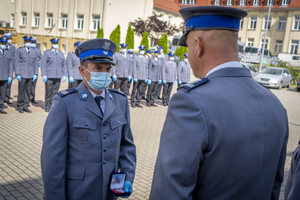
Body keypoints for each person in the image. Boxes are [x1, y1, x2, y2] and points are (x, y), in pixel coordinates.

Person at [150, 6, 288, 200]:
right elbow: (275, 185)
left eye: (188, 47)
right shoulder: (274, 104)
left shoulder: (191, 103)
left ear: (197, 45)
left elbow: (169, 192)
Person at [41, 38, 136, 200]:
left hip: (109, 193)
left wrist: (127, 176)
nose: (104, 74)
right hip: (77, 192)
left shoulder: (120, 101)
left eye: (107, 69)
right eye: (98, 68)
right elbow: (52, 159)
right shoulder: (65, 103)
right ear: (82, 70)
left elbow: (127, 145)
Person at [40, 38, 67, 112]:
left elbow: (64, 65)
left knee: (55, 92)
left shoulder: (61, 53)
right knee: (48, 92)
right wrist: (44, 74)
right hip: (49, 76)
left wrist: (65, 74)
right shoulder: (47, 53)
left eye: (57, 43)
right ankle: (47, 106)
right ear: (51, 44)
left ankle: (53, 106)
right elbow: (43, 64)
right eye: (54, 43)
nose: (55, 45)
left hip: (58, 76)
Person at [15, 36, 38, 113]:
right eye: (27, 42)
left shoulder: (34, 51)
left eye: (29, 42)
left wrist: (36, 73)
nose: (28, 43)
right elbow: (17, 62)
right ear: (24, 42)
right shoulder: (20, 50)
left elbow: (35, 63)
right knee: (21, 90)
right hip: (22, 74)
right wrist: (17, 73)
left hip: (31, 74)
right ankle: (20, 105)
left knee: (28, 91)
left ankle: (26, 105)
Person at [0, 37, 13, 114]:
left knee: (2, 93)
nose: (4, 45)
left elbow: (11, 64)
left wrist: (10, 75)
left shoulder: (8, 52)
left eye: (5, 43)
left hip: (5, 76)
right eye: (2, 43)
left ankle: (1, 107)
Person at [3, 33, 15, 105]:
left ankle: (7, 98)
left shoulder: (12, 47)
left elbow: (14, 58)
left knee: (8, 85)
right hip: (2, 69)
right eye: (8, 39)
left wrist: (14, 70)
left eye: (10, 39)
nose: (9, 40)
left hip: (10, 68)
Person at [29, 37, 42, 104]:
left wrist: (39, 63)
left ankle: (32, 98)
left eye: (34, 42)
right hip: (28, 70)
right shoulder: (28, 49)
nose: (33, 44)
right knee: (27, 85)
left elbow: (41, 58)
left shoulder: (37, 50)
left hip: (35, 70)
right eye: (32, 42)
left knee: (33, 85)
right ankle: (26, 98)